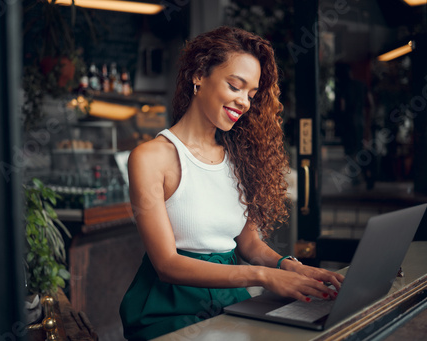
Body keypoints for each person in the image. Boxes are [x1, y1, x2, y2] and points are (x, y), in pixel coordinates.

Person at [119, 26, 344, 340]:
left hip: (230, 302)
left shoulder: (239, 158)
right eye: (235, 86)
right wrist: (262, 277)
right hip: (169, 308)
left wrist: (289, 265)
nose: (244, 102)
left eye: (251, 95)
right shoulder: (151, 158)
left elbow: (249, 245)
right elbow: (167, 264)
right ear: (198, 75)